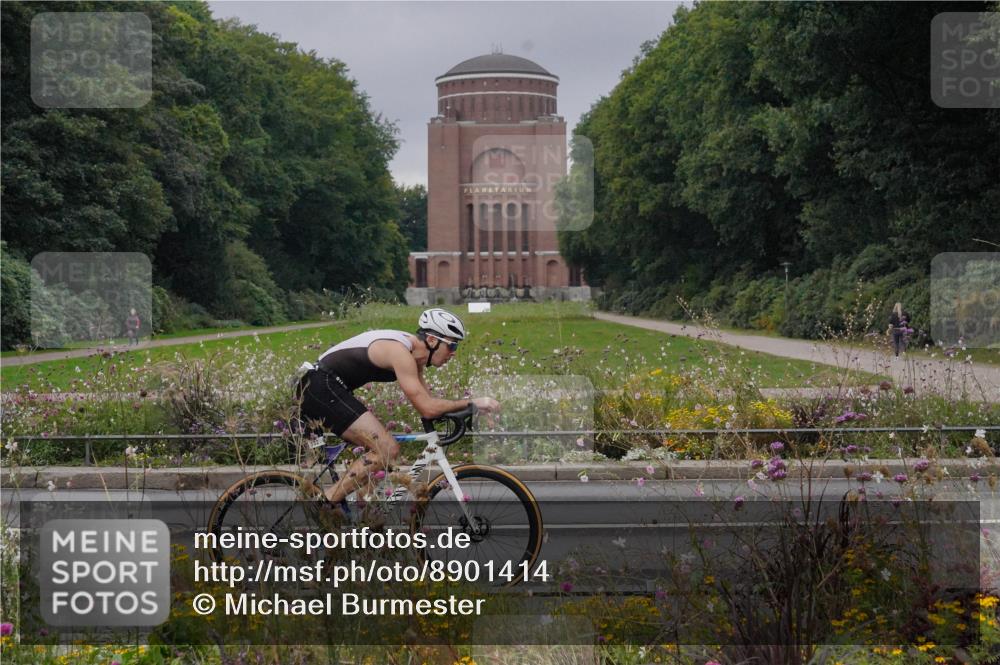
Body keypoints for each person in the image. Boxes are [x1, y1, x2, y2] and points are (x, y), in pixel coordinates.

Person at [295, 308, 500, 503]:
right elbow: (428, 408)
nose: (453, 353)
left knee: (384, 459)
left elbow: (428, 406)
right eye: (452, 345)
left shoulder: (416, 359)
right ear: (431, 340)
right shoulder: (400, 352)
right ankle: (327, 502)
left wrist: (470, 410)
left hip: (329, 387)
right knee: (386, 449)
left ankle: (361, 516)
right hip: (319, 387)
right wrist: (472, 401)